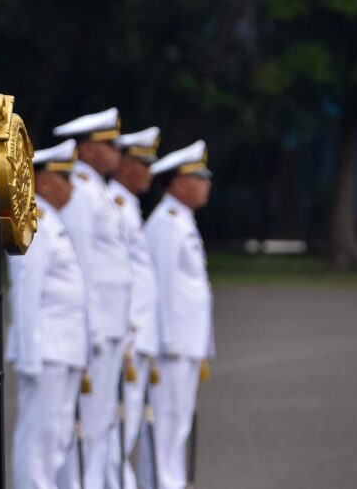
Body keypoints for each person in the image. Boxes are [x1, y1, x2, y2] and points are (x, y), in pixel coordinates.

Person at [53, 107, 131, 489]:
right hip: (97, 324)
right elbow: (81, 263)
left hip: (113, 323)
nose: (117, 151)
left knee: (101, 421)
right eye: (109, 144)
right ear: (86, 149)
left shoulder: (97, 190)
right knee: (87, 421)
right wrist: (92, 327)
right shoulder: (81, 193)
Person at [6, 139, 89, 489]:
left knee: (56, 440)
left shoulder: (53, 222)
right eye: (64, 177)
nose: (71, 185)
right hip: (45, 351)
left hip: (63, 350)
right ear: (43, 182)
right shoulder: (34, 224)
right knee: (38, 443)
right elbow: (26, 294)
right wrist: (29, 356)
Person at [145, 140, 215, 489]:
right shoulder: (166, 223)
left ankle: (168, 481)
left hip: (186, 342)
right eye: (199, 177)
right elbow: (161, 286)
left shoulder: (182, 220)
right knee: (167, 422)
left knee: (178, 422)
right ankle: (163, 483)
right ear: (177, 183)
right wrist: (167, 339)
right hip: (170, 344)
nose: (207, 184)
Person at [106, 127, 161, 489]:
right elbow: (111, 275)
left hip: (137, 335)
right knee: (114, 431)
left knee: (125, 431)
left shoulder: (129, 205)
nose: (149, 172)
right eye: (143, 163)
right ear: (125, 164)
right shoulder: (113, 204)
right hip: (126, 335)